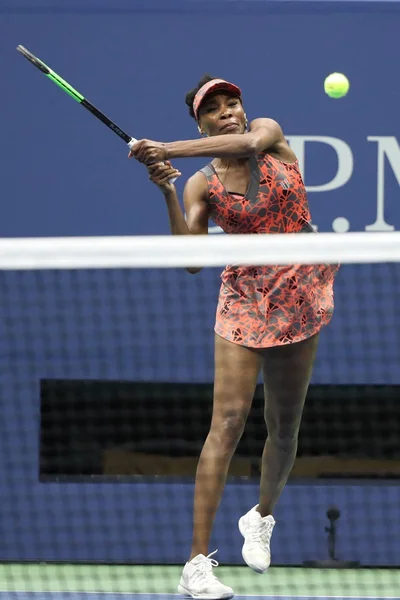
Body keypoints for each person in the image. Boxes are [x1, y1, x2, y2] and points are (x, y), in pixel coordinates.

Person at [129, 75, 339, 600]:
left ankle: (262, 516)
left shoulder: (269, 134)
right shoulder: (203, 183)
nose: (228, 112)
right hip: (245, 296)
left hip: (300, 289)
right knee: (226, 421)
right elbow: (194, 261)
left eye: (232, 103)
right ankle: (195, 564)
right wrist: (168, 190)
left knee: (284, 426)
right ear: (200, 122)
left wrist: (165, 147)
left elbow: (246, 145)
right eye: (214, 109)